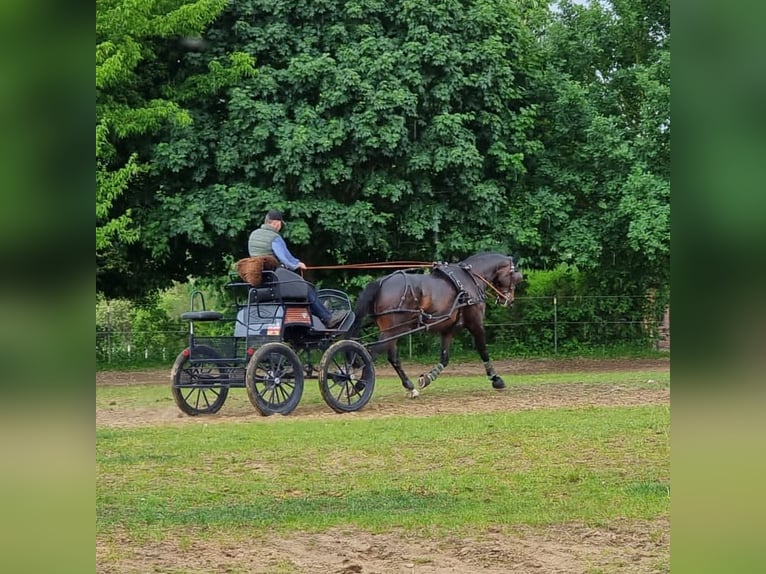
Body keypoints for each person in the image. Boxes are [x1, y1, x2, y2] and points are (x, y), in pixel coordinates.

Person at [248, 209, 348, 329]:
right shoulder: (274, 237)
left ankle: (322, 311)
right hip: (276, 279)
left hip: (263, 280)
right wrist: (297, 264)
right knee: (305, 287)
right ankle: (327, 318)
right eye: (280, 224)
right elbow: (284, 258)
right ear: (276, 223)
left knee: (303, 287)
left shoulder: (254, 235)